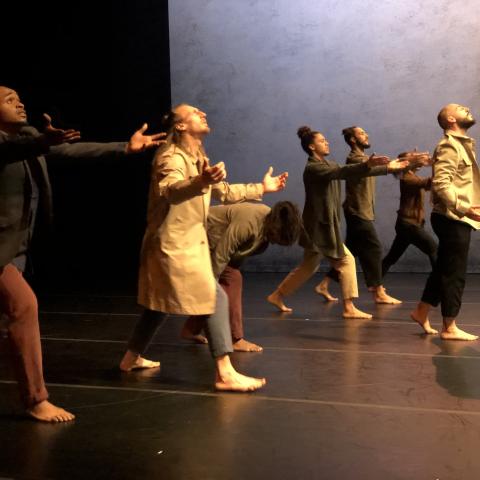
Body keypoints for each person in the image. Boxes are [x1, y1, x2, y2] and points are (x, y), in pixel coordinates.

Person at [0, 85, 166, 422]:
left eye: (19, 98)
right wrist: (40, 142)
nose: (19, 103)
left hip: (16, 248)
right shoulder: (15, 143)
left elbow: (73, 152)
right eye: (8, 100)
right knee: (24, 306)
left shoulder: (32, 138)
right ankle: (36, 399)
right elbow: (9, 151)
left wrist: (125, 148)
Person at [119, 104, 288, 391]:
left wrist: (262, 188)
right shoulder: (170, 157)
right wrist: (200, 181)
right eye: (195, 113)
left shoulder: (198, 156)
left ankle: (129, 359)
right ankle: (224, 373)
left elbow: (224, 192)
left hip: (188, 241)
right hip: (172, 244)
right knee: (215, 297)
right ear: (181, 126)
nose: (203, 114)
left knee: (158, 307)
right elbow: (171, 189)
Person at [267, 126, 409, 317]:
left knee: (308, 266)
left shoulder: (327, 165)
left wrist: (385, 167)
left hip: (319, 226)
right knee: (347, 261)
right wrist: (373, 165)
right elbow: (345, 171)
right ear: (311, 147)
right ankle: (349, 308)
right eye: (321, 141)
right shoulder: (314, 168)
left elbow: (349, 171)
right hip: (319, 227)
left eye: (326, 140)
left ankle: (277, 295)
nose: (326, 142)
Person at [181, 201, 303, 352]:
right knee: (232, 279)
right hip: (198, 238)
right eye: (278, 239)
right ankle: (235, 339)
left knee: (228, 281)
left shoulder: (267, 221)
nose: (276, 242)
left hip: (211, 243)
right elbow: (222, 254)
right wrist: (210, 285)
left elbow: (236, 255)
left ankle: (191, 330)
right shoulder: (249, 223)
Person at [410, 104, 480, 340]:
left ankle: (421, 310)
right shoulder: (450, 145)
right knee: (455, 272)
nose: (467, 108)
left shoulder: (461, 145)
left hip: (452, 216)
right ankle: (449, 327)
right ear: (451, 119)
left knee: (444, 267)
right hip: (452, 217)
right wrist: (465, 209)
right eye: (461, 108)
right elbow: (441, 184)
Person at [322, 127, 405, 304]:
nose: (366, 135)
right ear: (352, 140)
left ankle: (324, 283)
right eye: (361, 133)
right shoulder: (354, 160)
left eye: (366, 132)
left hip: (361, 211)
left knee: (352, 251)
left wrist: (409, 162)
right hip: (357, 211)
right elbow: (371, 169)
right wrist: (389, 167)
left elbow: (382, 166)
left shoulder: (366, 160)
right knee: (374, 248)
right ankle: (378, 291)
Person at [381, 152, 437, 277]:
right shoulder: (407, 178)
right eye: (413, 156)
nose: (416, 157)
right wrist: (436, 165)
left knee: (391, 257)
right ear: (406, 163)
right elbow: (431, 182)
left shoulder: (412, 176)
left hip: (406, 224)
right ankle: (439, 282)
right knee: (433, 249)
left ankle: (375, 282)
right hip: (409, 225)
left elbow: (428, 186)